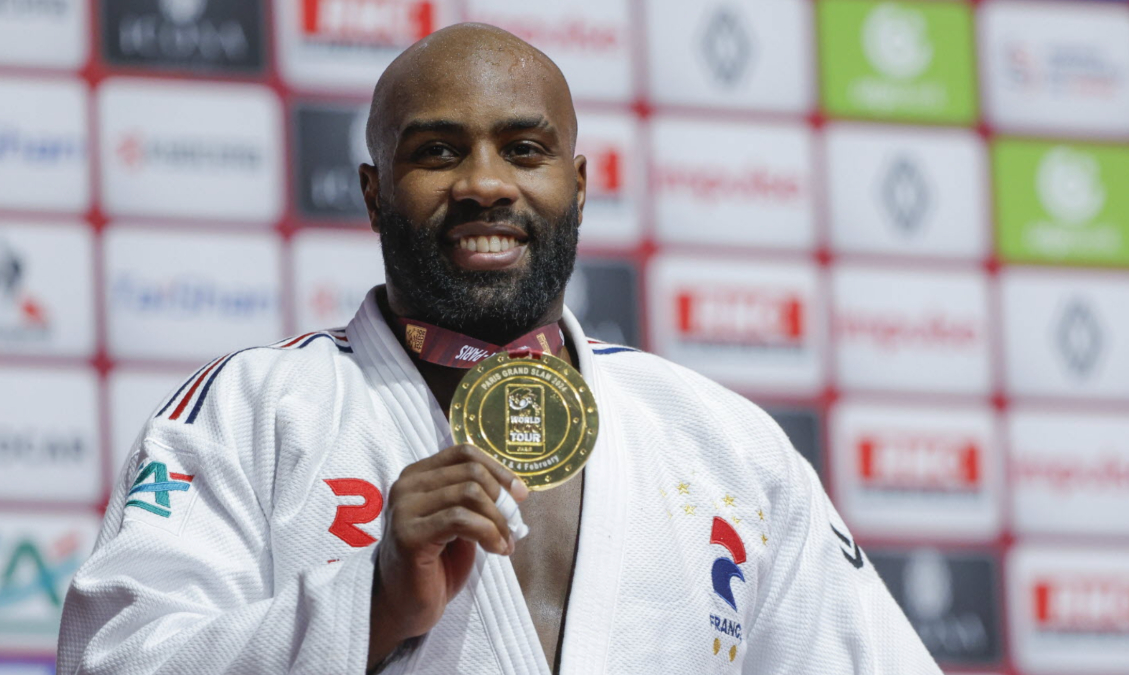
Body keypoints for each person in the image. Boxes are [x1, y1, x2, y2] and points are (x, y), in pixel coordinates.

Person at [57, 23, 942, 675]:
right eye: (437, 152)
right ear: (373, 192)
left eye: (524, 149)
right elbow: (114, 658)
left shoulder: (725, 442)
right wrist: (364, 608)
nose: (484, 183)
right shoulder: (253, 411)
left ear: (580, 186)